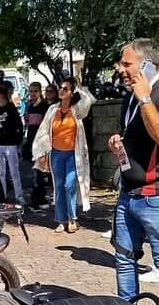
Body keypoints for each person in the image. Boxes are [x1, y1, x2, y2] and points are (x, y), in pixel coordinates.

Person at [108, 39, 159, 305]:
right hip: (129, 192)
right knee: (124, 258)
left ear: (146, 65)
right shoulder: (130, 96)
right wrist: (118, 143)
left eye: (127, 63)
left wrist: (145, 98)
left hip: (158, 195)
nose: (121, 69)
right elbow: (132, 135)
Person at [31, 76, 96, 233]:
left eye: (65, 89)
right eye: (60, 88)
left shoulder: (77, 110)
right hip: (57, 154)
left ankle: (73, 217)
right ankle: (61, 220)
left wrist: (79, 87)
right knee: (59, 186)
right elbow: (44, 132)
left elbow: (89, 100)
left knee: (69, 184)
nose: (61, 90)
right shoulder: (53, 110)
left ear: (71, 92)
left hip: (73, 155)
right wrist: (43, 152)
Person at [0, 83, 25, 206]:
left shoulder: (11, 108)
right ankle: (2, 197)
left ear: (0, 95)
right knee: (1, 172)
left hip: (10, 144)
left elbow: (19, 126)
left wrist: (18, 142)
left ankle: (19, 197)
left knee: (14, 171)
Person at [22, 81, 52, 209]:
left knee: (38, 173)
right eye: (31, 91)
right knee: (36, 172)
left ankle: (40, 200)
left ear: (40, 92)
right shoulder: (29, 106)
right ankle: (39, 198)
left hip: (42, 143)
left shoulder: (44, 107)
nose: (33, 94)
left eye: (35, 91)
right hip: (31, 142)